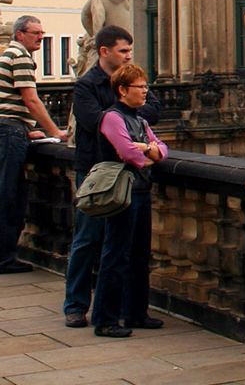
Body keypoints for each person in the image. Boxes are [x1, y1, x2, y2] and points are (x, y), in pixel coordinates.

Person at [64, 25, 160, 328]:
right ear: (104, 51)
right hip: (96, 171)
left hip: (127, 175)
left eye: (130, 50)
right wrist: (123, 115)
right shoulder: (87, 84)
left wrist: (131, 112)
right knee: (88, 238)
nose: (128, 55)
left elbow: (154, 112)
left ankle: (126, 309)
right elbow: (96, 122)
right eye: (123, 51)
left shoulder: (132, 81)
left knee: (125, 246)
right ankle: (76, 305)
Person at [90, 63, 167, 338]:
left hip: (140, 190)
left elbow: (162, 149)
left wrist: (148, 149)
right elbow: (129, 155)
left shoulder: (140, 120)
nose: (145, 92)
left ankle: (136, 312)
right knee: (115, 255)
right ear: (123, 90)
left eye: (146, 87)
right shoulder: (112, 117)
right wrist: (148, 153)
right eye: (140, 87)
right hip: (121, 193)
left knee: (138, 255)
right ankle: (105, 319)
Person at [0, 16, 67, 273]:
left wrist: (27, 130)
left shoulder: (9, 54)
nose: (40, 36)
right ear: (20, 34)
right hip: (9, 132)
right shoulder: (20, 56)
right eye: (35, 32)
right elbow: (31, 100)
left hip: (11, 130)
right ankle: (4, 259)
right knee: (9, 195)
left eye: (42, 32)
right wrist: (54, 131)